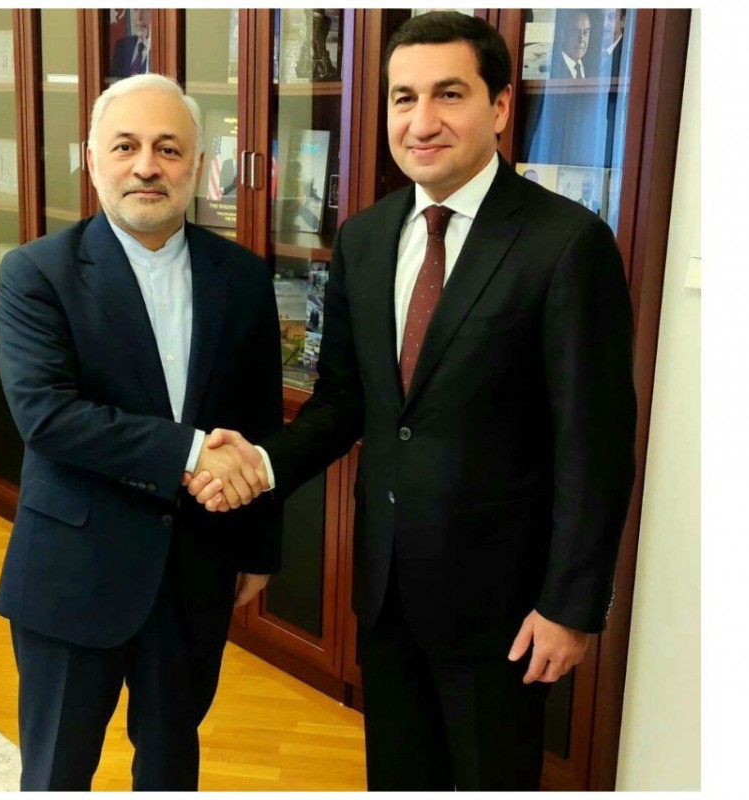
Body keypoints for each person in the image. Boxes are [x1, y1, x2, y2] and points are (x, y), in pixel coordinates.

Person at [188, 11, 635, 791]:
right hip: (387, 590)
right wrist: (259, 463)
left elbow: (594, 446)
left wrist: (571, 607)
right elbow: (342, 403)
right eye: (403, 97)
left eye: (449, 94)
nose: (421, 121)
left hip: (504, 610)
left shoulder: (566, 244)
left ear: (500, 106)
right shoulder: (365, 238)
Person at [0, 72, 280, 791]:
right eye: (125, 146)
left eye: (168, 148)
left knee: (172, 767)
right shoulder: (36, 273)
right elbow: (47, 416)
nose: (147, 166)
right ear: (93, 160)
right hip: (74, 571)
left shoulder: (243, 277)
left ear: (198, 165)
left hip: (196, 571)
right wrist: (191, 450)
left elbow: (259, 421)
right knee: (57, 772)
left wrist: (258, 548)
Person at [549, 9, 594, 79]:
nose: (581, 39)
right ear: (563, 34)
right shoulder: (553, 67)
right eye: (575, 32)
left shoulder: (593, 68)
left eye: (585, 33)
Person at [109, 8, 150, 78]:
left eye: (146, 9)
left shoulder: (163, 49)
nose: (139, 17)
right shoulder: (122, 46)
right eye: (136, 9)